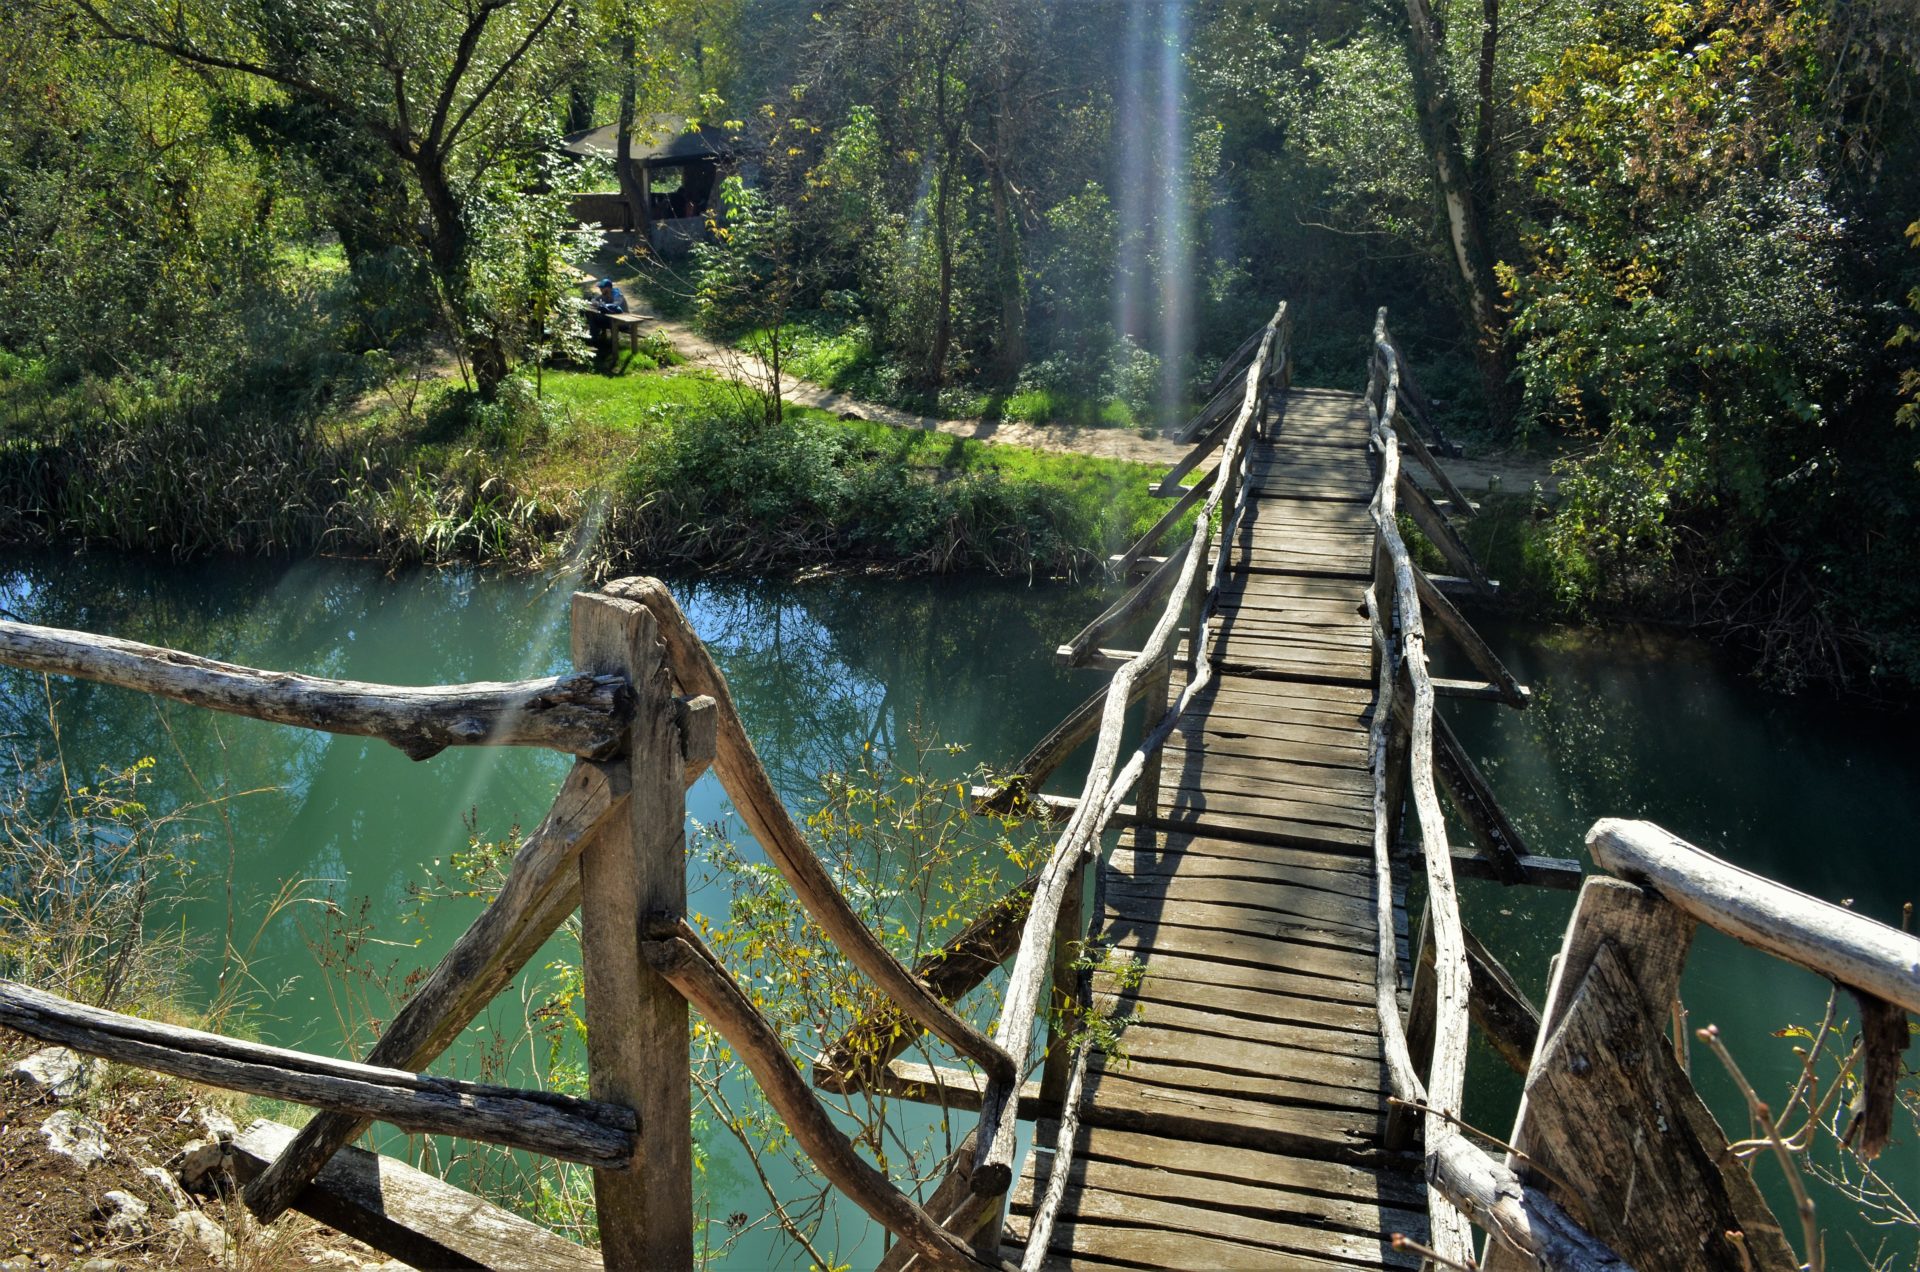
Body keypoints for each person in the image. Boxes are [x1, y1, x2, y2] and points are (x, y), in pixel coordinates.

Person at [586, 277, 627, 344]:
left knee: (608, 318)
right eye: (600, 288)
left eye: (602, 288)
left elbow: (615, 307)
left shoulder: (618, 295)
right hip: (612, 319)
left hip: (623, 322)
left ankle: (613, 343)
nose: (600, 289)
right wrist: (594, 302)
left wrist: (601, 305)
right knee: (591, 314)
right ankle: (595, 337)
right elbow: (595, 300)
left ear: (608, 288)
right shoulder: (605, 294)